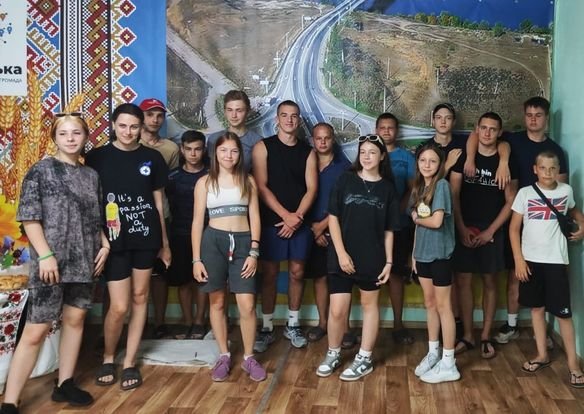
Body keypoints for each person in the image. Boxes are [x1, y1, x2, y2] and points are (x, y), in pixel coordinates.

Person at [1, 114, 109, 414]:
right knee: (37, 329)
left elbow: (95, 217)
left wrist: (105, 244)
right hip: (51, 263)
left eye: (76, 133)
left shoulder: (91, 176)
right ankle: (10, 400)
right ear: (54, 138)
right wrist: (46, 256)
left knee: (75, 321)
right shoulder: (41, 171)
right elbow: (29, 217)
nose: (70, 138)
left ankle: (65, 384)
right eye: (64, 133)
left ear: (86, 137)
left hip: (84, 259)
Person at [86, 103, 170, 391]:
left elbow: (158, 204)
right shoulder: (96, 157)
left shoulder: (153, 158)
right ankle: (109, 357)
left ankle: (130, 361)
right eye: (122, 125)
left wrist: (165, 244)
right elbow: (91, 203)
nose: (128, 131)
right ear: (113, 125)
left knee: (140, 297)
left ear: (141, 128)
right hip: (114, 241)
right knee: (119, 306)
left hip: (146, 238)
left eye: (134, 126)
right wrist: (101, 238)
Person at [315, 134, 398, 381]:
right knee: (337, 310)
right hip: (341, 256)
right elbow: (333, 218)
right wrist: (341, 253)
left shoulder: (388, 189)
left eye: (372, 152)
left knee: (369, 306)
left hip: (372, 258)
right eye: (363, 152)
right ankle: (333, 353)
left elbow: (389, 230)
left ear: (382, 157)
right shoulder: (345, 179)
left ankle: (364, 358)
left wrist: (389, 262)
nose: (367, 157)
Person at [493, 97, 569, 345]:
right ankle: (512, 324)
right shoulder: (513, 141)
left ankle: (541, 330)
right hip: (517, 217)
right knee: (517, 273)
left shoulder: (556, 151)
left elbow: (563, 193)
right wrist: (504, 162)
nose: (533, 119)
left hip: (546, 226)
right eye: (529, 115)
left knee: (545, 279)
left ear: (546, 118)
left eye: (538, 115)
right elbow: (499, 143)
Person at [192, 132, 266, 382]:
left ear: (240, 154)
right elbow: (197, 222)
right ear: (215, 153)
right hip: (213, 243)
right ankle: (224, 355)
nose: (229, 155)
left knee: (247, 304)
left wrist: (254, 251)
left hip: (243, 243)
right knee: (217, 302)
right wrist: (196, 259)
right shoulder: (204, 182)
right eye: (223, 150)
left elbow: (255, 217)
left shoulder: (248, 181)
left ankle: (249, 357)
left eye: (234, 151)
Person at [509, 151, 584, 388]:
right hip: (531, 261)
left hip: (556, 260)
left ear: (558, 170)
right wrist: (519, 260)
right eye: (543, 168)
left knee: (563, 314)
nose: (548, 173)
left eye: (553, 168)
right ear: (535, 169)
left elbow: (574, 210)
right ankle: (542, 354)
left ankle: (574, 365)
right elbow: (514, 229)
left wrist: (582, 224)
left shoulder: (566, 191)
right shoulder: (525, 193)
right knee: (536, 309)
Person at [252, 100, 318, 351]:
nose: (289, 120)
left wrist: (296, 217)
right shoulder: (263, 147)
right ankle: (267, 327)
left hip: (299, 222)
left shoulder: (308, 152)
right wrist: (284, 215)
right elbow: (261, 186)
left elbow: (312, 189)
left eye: (294, 116)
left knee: (297, 272)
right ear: (277, 119)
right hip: (272, 221)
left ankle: (293, 324)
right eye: (284, 115)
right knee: (269, 273)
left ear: (299, 120)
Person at [450, 112, 517, 359]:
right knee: (463, 281)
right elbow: (453, 195)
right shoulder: (464, 157)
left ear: (499, 132)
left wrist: (491, 231)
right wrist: (461, 228)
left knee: (490, 282)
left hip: (492, 230)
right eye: (484, 128)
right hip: (465, 227)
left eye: (493, 129)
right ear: (477, 129)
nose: (488, 133)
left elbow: (511, 201)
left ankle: (486, 336)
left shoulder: (506, 161)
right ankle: (468, 335)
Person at [410, 142, 460, 384]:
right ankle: (433, 353)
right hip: (422, 255)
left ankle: (449, 362)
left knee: (443, 306)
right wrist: (413, 255)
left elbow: (437, 221)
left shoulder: (441, 185)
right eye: (423, 160)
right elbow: (418, 228)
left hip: (440, 255)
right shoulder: (420, 186)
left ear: (440, 165)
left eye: (432, 161)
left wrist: (416, 218)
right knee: (430, 304)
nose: (427, 165)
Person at [305, 123, 351, 343]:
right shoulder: (306, 163)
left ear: (333, 139)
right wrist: (314, 231)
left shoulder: (344, 167)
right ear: (312, 140)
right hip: (311, 230)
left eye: (327, 138)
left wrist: (323, 226)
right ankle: (323, 323)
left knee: (341, 280)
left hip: (338, 231)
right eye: (318, 138)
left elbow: (346, 203)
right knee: (320, 277)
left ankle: (345, 328)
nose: (322, 142)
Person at [138, 98, 180, 339]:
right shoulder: (130, 144)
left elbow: (171, 184)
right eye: (150, 114)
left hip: (162, 216)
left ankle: (160, 322)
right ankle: (137, 323)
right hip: (134, 217)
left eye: (159, 115)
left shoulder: (170, 149)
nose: (155, 119)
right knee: (134, 273)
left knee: (160, 271)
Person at [376, 113, 416, 345]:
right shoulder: (370, 154)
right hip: (373, 228)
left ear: (397, 131)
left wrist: (397, 212)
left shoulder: (406, 157)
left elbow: (412, 188)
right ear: (377, 130)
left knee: (396, 276)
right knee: (370, 275)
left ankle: (398, 325)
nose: (386, 131)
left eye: (390, 128)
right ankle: (367, 327)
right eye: (382, 127)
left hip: (399, 224)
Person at [166, 130, 209, 339]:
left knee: (202, 280)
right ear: (182, 150)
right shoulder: (172, 177)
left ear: (204, 150)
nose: (193, 154)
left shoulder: (211, 175)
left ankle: (199, 321)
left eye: (197, 149)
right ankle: (187, 320)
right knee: (183, 281)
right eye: (189, 149)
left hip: (207, 235)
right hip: (180, 234)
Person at [207, 90, 262, 173]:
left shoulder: (258, 142)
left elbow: (259, 175)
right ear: (225, 112)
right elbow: (211, 171)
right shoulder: (213, 139)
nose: (234, 115)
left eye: (239, 110)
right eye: (230, 110)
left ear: (247, 111)